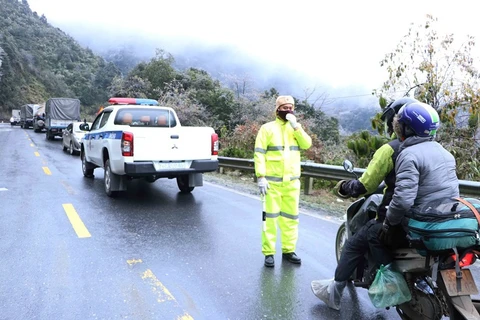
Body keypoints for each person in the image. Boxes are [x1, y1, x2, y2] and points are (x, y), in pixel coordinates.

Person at [313, 101, 459, 311]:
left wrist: (388, 224)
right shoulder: (445, 153)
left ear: (403, 127)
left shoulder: (399, 151)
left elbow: (386, 193)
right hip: (440, 219)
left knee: (360, 240)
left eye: (398, 122)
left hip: (412, 221)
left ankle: (338, 292)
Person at [310, 97, 417, 310]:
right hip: (427, 217)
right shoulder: (434, 149)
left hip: (399, 217)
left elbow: (365, 185)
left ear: (397, 122)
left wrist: (346, 187)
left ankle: (335, 292)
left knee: (355, 242)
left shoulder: (391, 150)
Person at [254, 95, 312, 267]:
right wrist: (261, 177)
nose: (288, 111)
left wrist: (297, 126)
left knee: (291, 219)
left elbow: (307, 144)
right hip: (271, 184)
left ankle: (288, 250)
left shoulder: (295, 129)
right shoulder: (267, 129)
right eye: (284, 108)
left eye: (291, 107)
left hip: (292, 183)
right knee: (270, 219)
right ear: (277, 109)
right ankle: (269, 253)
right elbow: (259, 153)